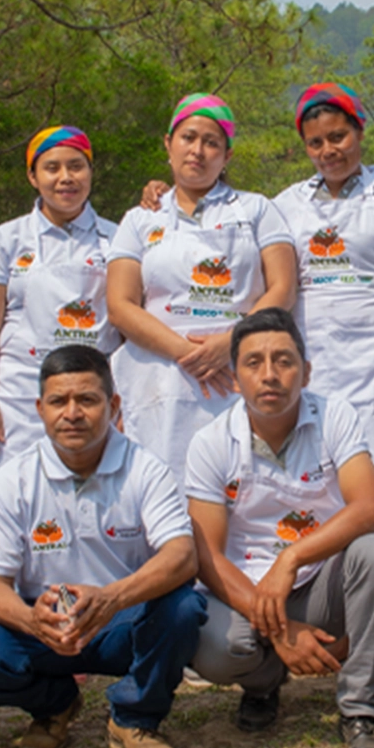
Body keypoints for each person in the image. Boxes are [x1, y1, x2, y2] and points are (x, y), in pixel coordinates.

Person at [0, 345, 204, 748]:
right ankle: (54, 705)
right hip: (47, 623)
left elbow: (182, 556)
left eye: (87, 400)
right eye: (58, 401)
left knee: (183, 609)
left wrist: (111, 599)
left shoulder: (146, 470)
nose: (72, 413)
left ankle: (135, 718)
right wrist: (32, 621)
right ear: (40, 409)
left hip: (123, 619)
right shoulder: (13, 479)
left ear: (113, 405)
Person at [182, 308, 374, 748]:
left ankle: (361, 711)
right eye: (253, 362)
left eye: (284, 361)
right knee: (215, 648)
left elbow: (369, 509)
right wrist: (281, 631)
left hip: (318, 583)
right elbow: (207, 556)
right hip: (247, 591)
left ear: (307, 371)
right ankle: (262, 685)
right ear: (234, 378)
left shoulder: (335, 416)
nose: (270, 374)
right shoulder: (210, 442)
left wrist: (292, 558)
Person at [273, 83, 374, 537]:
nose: (328, 151)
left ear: (360, 132)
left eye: (338, 136)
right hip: (317, 371)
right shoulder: (286, 206)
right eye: (315, 143)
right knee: (319, 501)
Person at [107, 94, 299, 480]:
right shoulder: (140, 219)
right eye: (188, 138)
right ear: (168, 144)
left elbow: (283, 289)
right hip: (158, 379)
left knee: (240, 485)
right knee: (159, 486)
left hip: (236, 374)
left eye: (211, 143)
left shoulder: (257, 210)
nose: (197, 151)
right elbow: (120, 305)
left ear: (227, 156)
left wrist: (232, 343)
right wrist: (188, 354)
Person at [0, 126, 119, 572]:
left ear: (91, 172)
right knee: (9, 491)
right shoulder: (8, 239)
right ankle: (2, 589)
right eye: (51, 168)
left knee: (88, 495)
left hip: (92, 394)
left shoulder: (117, 239)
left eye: (76, 166)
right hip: (18, 395)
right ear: (33, 177)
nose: (65, 178)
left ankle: (86, 590)